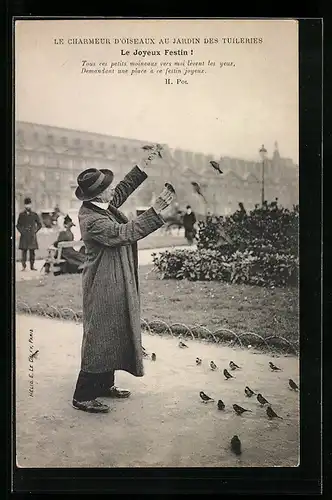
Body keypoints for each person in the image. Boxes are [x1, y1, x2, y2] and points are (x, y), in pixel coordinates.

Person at [72, 146, 174, 413]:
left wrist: (144, 164)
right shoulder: (92, 219)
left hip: (114, 278)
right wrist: (156, 210)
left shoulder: (100, 205)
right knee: (99, 335)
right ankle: (82, 394)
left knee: (114, 329)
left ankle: (104, 385)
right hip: (102, 283)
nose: (112, 189)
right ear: (97, 194)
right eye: (107, 186)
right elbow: (125, 232)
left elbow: (124, 188)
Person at [16, 197, 42, 271]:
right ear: (24, 205)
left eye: (29, 204)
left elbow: (39, 224)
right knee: (24, 252)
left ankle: (32, 266)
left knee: (32, 252)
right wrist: (22, 231)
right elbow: (18, 225)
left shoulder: (34, 214)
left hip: (32, 236)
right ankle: (23, 266)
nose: (28, 206)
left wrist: (35, 231)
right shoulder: (21, 215)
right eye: (26, 204)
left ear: (31, 205)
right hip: (24, 236)